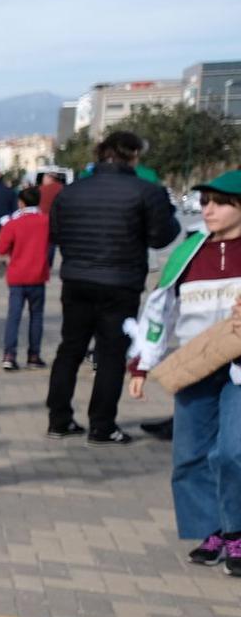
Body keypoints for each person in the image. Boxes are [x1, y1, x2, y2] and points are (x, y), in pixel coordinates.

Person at [125, 171, 241, 572]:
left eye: (218, 202)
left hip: (240, 367)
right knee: (190, 455)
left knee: (233, 452)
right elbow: (159, 310)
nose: (207, 209)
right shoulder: (188, 251)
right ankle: (211, 531)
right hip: (195, 364)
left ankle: (236, 530)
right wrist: (142, 364)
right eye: (205, 201)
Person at [45, 130, 180, 444]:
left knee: (70, 349)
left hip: (76, 278)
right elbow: (162, 236)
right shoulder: (146, 191)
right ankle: (102, 424)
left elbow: (55, 235)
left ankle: (59, 419)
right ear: (133, 155)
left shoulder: (70, 192)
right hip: (120, 282)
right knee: (110, 355)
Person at [0, 185, 50, 370]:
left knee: (14, 317)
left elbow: (1, 249)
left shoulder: (13, 223)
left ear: (21, 202)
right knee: (37, 317)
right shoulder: (46, 221)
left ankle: (9, 355)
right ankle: (34, 356)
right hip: (38, 275)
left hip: (17, 276)